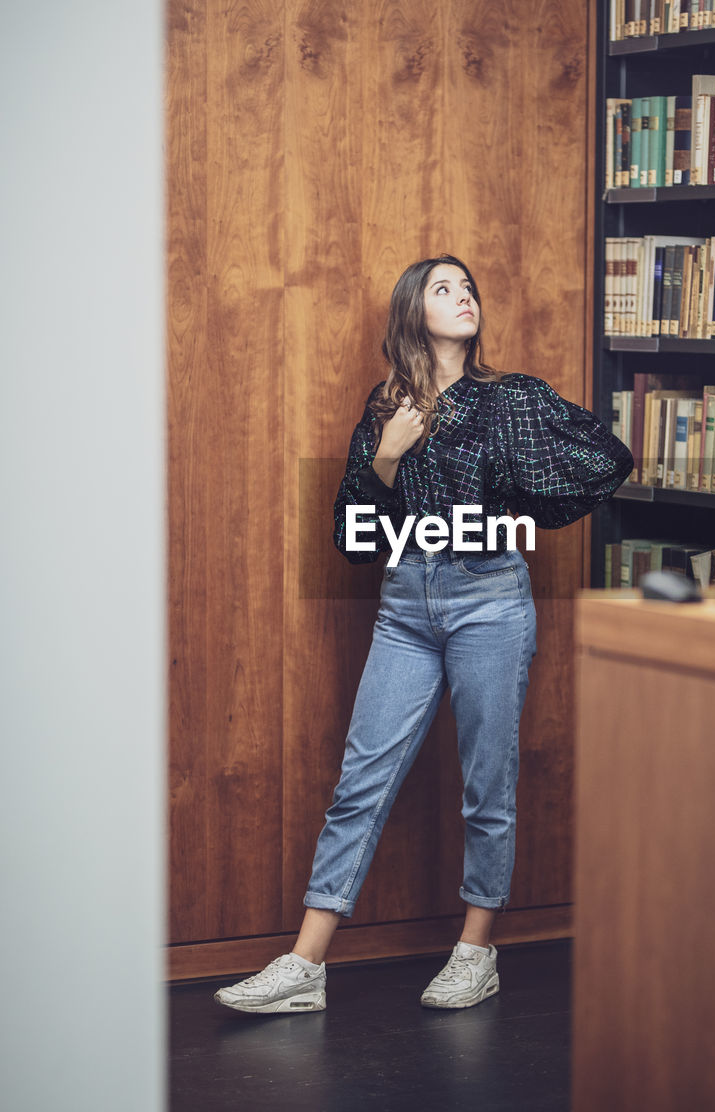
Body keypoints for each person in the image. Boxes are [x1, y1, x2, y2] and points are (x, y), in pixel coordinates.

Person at [214, 254, 633, 1015]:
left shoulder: (512, 399)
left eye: (468, 287)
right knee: (359, 784)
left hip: (488, 601)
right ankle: (305, 967)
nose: (463, 297)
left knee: (486, 786)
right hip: (405, 603)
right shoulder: (383, 410)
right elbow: (351, 533)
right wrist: (386, 456)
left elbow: (606, 460)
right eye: (444, 289)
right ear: (414, 312)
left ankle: (476, 952)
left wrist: (516, 486)